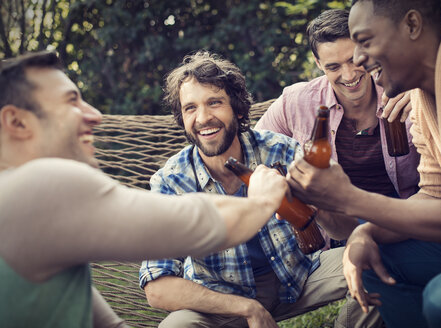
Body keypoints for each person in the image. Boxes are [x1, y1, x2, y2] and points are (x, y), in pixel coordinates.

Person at [0, 51, 289, 328]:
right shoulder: (33, 187)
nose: (95, 115)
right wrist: (263, 200)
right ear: (17, 122)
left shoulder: (31, 207)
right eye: (71, 101)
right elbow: (197, 223)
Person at [139, 51, 381, 328]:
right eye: (190, 108)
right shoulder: (171, 181)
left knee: (379, 261)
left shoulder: (280, 149)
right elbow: (157, 288)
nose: (203, 117)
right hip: (222, 299)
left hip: (297, 276)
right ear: (181, 118)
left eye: (214, 103)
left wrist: (318, 205)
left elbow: (343, 229)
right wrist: (247, 308)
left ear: (238, 109)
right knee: (175, 327)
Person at [286, 1, 441, 327]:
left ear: (411, 26)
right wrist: (366, 232)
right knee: (371, 256)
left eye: (364, 42)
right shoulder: (425, 96)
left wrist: (348, 199)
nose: (359, 62)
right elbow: (435, 192)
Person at [255, 9, 420, 248]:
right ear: (318, 63)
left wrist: (423, 98)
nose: (349, 75)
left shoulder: (402, 88)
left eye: (353, 60)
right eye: (333, 67)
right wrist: (274, 179)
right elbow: (254, 146)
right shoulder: (297, 101)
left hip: (402, 216)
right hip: (337, 231)